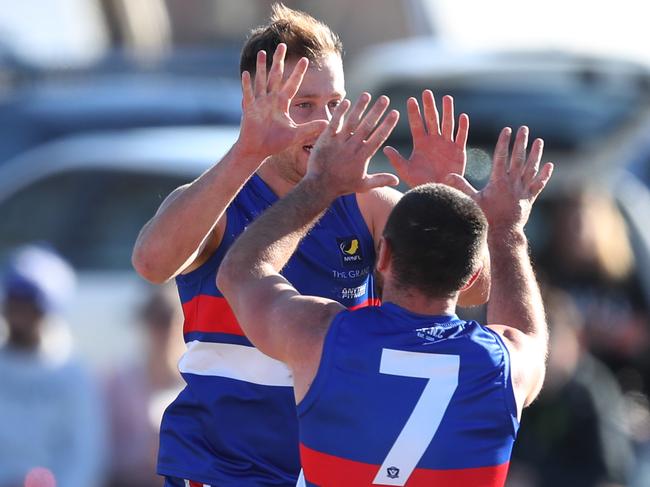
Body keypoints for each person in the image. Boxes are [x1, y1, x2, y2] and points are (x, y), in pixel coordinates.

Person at [131, 3, 486, 486]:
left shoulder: (367, 202)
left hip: (332, 468)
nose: (324, 122)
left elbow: (471, 289)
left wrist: (444, 197)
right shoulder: (218, 197)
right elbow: (151, 263)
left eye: (335, 104)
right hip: (223, 468)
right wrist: (248, 150)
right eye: (304, 105)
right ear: (254, 99)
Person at [217, 100, 553, 487]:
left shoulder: (321, 336)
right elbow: (528, 337)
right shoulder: (504, 364)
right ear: (471, 276)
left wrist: (320, 186)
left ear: (384, 254)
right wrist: (507, 231)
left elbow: (240, 272)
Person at [0, 244, 105, 487]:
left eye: (30, 303)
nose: (20, 311)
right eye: (15, 300)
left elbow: (84, 454)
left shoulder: (72, 374)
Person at [104, 284, 185, 487]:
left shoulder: (198, 386)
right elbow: (105, 452)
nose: (164, 330)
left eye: (170, 319)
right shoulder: (118, 383)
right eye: (156, 319)